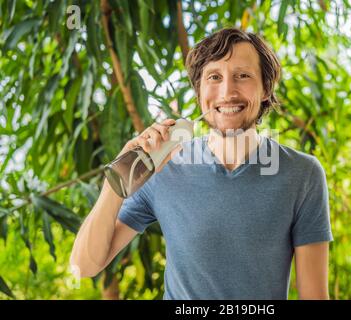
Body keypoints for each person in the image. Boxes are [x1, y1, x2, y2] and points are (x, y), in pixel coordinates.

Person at [70, 28, 333, 300]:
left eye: (243, 76)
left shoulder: (303, 175)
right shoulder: (162, 169)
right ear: (199, 92)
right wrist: (117, 179)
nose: (227, 91)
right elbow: (83, 267)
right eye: (214, 77)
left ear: (266, 88)